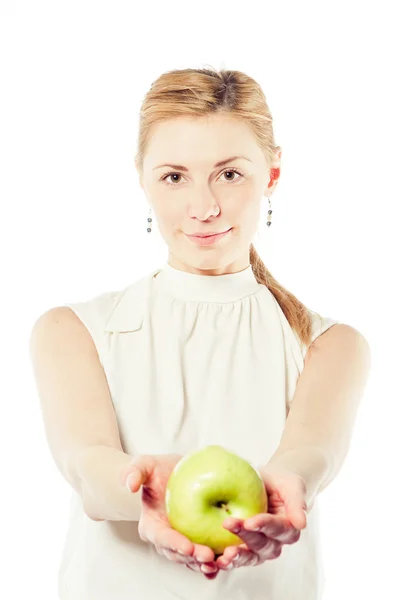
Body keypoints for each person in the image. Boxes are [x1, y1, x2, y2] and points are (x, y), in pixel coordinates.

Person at [30, 66, 345, 599]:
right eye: (174, 176)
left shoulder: (328, 345)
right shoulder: (73, 330)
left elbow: (308, 458)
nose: (204, 208)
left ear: (272, 172)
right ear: (142, 177)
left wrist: (286, 489)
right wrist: (153, 493)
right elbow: (89, 470)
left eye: (230, 174)